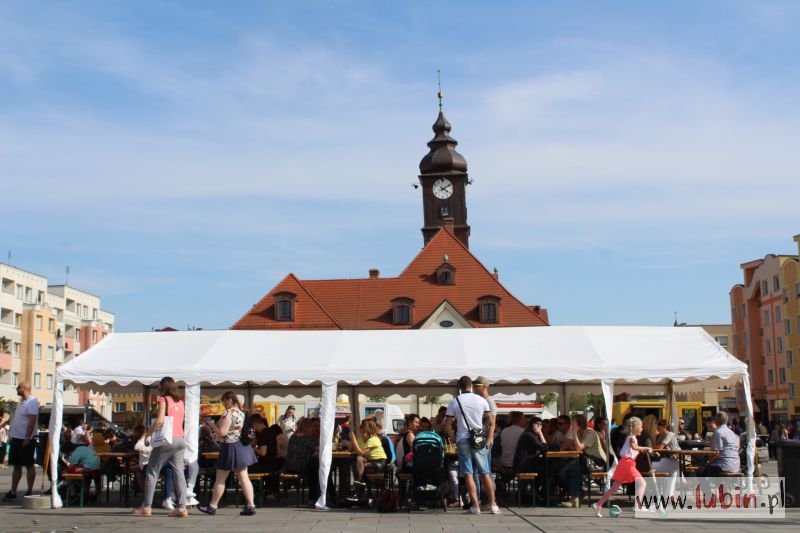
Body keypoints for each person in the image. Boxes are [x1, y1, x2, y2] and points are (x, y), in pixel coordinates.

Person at [133, 376, 189, 518]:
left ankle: (146, 506)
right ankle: (182, 507)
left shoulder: (163, 400)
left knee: (152, 471)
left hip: (167, 440)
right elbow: (180, 421)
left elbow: (160, 421)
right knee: (179, 473)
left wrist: (147, 434)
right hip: (180, 440)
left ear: (163, 388)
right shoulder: (181, 402)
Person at [444, 375, 500, 515]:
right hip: (478, 439)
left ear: (459, 387)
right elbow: (490, 422)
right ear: (471, 386)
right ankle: (493, 504)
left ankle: (475, 506)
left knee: (468, 473)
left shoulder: (454, 402)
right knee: (485, 472)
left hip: (462, 438)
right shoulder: (482, 400)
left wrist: (454, 438)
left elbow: (447, 425)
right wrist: (483, 435)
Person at [198, 391, 257, 515]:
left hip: (229, 448)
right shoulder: (241, 412)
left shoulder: (229, 413)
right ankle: (251, 505)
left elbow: (222, 433)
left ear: (230, 400)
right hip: (242, 446)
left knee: (220, 479)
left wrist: (212, 425)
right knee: (244, 478)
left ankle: (212, 506)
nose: (223, 404)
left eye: (224, 401)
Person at [591, 416, 651, 517]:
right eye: (641, 427)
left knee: (615, 487)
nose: (642, 429)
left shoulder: (630, 437)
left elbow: (632, 449)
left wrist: (641, 449)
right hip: (628, 464)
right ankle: (637, 506)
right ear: (635, 427)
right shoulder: (632, 438)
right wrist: (645, 448)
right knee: (642, 483)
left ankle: (598, 504)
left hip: (625, 463)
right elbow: (634, 447)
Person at [2, 381, 39, 502]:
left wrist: (28, 438)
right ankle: (13, 491)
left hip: (26, 439)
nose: (16, 389)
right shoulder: (22, 402)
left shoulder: (32, 401)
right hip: (16, 438)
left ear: (24, 389)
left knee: (29, 465)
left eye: (18, 387)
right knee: (16, 465)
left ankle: (29, 491)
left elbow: (32, 420)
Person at [559, 414, 606, 508]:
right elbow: (574, 447)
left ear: (578, 424)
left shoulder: (590, 432)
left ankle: (574, 498)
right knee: (564, 471)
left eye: (573, 423)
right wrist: (576, 444)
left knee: (572, 469)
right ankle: (579, 493)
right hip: (586, 460)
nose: (571, 425)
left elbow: (578, 448)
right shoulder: (581, 433)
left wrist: (574, 433)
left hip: (597, 462)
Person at [285, 417, 321, 504]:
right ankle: (314, 497)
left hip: (289, 465)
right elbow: (319, 448)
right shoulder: (306, 438)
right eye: (312, 427)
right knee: (316, 469)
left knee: (314, 466)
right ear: (308, 427)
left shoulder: (293, 436)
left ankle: (314, 497)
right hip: (300, 466)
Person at [348, 419, 387, 494]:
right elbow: (350, 449)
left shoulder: (374, 439)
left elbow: (361, 452)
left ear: (366, 429)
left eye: (361, 426)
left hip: (380, 462)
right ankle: (360, 481)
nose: (359, 428)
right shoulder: (361, 439)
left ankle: (359, 489)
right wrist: (352, 440)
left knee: (359, 464)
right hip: (370, 460)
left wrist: (354, 440)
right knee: (359, 459)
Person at [702, 412, 740, 476]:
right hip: (736, 465)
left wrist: (708, 463)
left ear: (717, 421)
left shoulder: (718, 432)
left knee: (702, 471)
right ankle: (718, 485)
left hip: (724, 465)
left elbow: (716, 453)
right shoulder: (732, 433)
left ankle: (711, 486)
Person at [67, 432, 102, 500]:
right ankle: (90, 493)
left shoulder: (75, 453)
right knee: (87, 477)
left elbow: (72, 465)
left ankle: (73, 493)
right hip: (97, 467)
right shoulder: (83, 448)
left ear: (68, 451)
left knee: (67, 472)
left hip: (89, 468)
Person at [651, 419, 680, 496]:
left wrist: (657, 448)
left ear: (664, 427)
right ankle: (669, 495)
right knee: (674, 468)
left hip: (674, 457)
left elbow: (659, 447)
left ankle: (669, 495)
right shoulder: (661, 436)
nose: (657, 429)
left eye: (659, 427)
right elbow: (656, 447)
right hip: (671, 459)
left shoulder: (670, 434)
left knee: (675, 468)